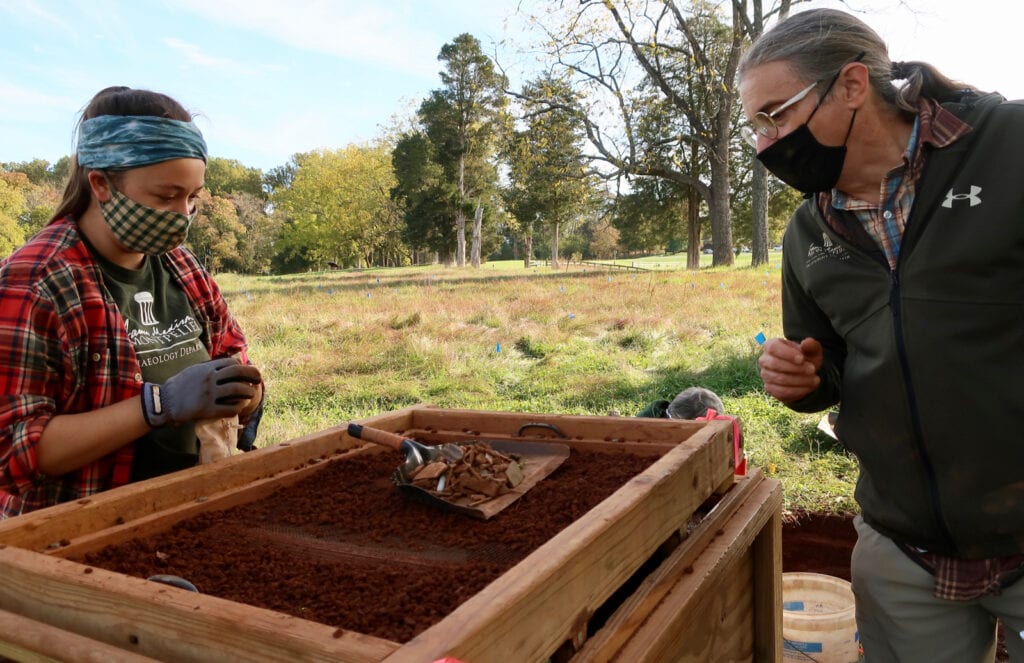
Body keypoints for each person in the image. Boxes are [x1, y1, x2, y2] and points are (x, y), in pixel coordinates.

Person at [739, 9, 1024, 661]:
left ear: (851, 85)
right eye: (756, 126)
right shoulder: (807, 236)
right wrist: (804, 382)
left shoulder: (1010, 145)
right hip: (902, 554)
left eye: (776, 114)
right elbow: (829, 366)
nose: (765, 144)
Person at [0, 87, 264, 519]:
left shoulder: (183, 269)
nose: (182, 215)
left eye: (193, 197)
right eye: (165, 196)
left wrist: (242, 392)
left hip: (195, 507)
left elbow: (231, 353)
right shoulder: (35, 283)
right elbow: (14, 449)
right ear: (101, 184)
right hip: (85, 530)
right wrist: (156, 405)